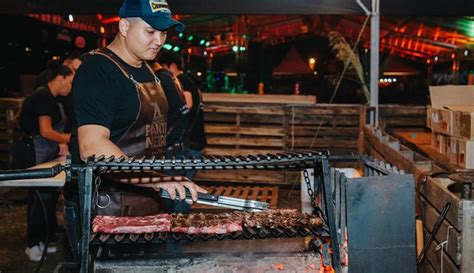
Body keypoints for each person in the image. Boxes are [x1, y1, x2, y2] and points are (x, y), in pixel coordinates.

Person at [63, 0, 206, 261]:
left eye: (163, 33)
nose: (159, 40)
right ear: (124, 26)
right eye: (150, 31)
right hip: (105, 208)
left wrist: (169, 178)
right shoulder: (98, 70)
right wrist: (155, 178)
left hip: (148, 203)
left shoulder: (148, 70)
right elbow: (92, 145)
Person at [14, 62, 73, 262]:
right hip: (33, 151)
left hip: (46, 152)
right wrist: (68, 139)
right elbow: (46, 131)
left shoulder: (53, 98)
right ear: (60, 78)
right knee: (37, 199)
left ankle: (42, 240)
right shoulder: (43, 96)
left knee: (46, 198)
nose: (70, 87)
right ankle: (32, 244)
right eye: (70, 82)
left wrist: (62, 145)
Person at [156, 51, 207, 176]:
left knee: (179, 187)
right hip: (195, 141)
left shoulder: (180, 80)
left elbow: (187, 104)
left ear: (172, 66)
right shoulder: (190, 79)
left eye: (164, 68)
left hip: (188, 143)